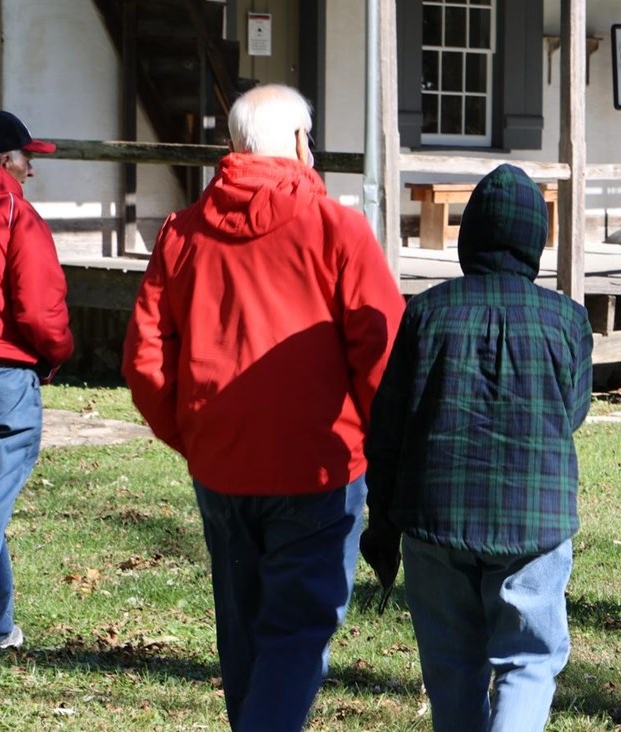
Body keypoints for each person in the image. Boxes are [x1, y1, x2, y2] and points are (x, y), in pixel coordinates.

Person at [122, 84, 405, 731]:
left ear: (235, 147)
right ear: (302, 144)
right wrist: (373, 443)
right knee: (299, 630)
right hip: (317, 467)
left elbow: (144, 355)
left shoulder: (182, 232)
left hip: (222, 461)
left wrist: (191, 433)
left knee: (247, 628)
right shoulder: (337, 229)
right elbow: (382, 353)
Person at [364, 163, 593, 732]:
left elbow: (387, 429)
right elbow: (574, 412)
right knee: (529, 661)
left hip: (433, 515)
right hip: (533, 520)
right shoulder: (568, 320)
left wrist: (382, 523)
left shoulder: (426, 312)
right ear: (534, 239)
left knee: (451, 666)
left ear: (470, 235)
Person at [0, 110, 73, 653]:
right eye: (25, 158)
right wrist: (55, 355)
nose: (30, 170)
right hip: (1, 376)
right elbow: (41, 311)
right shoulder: (14, 213)